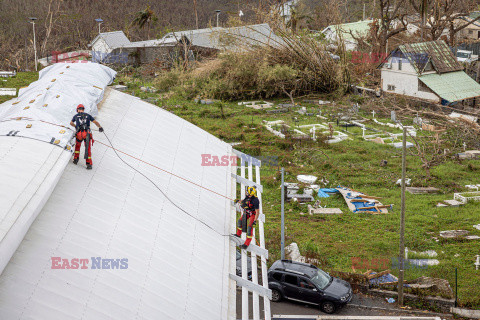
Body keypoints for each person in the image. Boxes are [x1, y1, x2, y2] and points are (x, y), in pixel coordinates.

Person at [70, 104, 103, 170]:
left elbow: (71, 123)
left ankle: (76, 159)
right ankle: (89, 164)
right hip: (86, 134)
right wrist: (100, 127)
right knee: (87, 149)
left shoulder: (76, 116)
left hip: (79, 133)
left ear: (77, 109)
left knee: (77, 146)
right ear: (83, 109)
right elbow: (95, 122)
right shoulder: (88, 115)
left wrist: (76, 126)